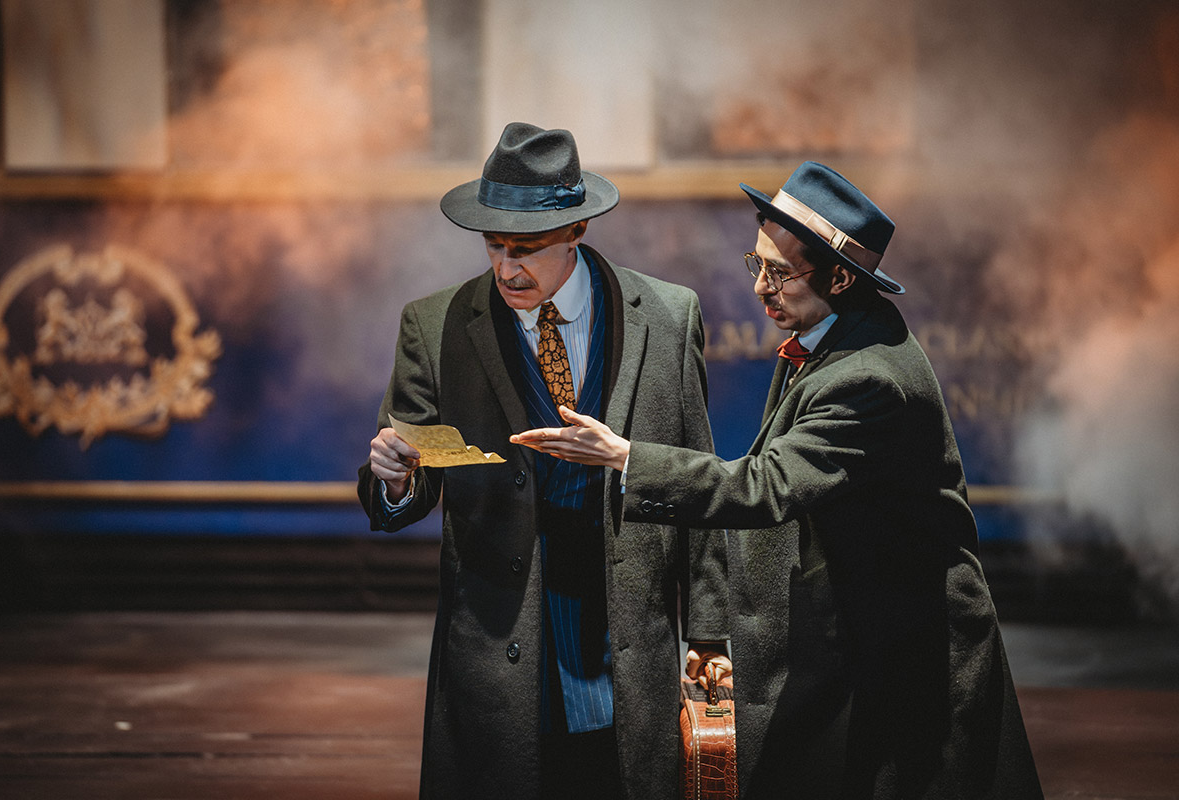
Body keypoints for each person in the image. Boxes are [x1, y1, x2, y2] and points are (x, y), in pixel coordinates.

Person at [511, 162, 1044, 799]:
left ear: (842, 277)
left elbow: (764, 486)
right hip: (858, 637)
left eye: (780, 272)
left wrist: (625, 456)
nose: (761, 287)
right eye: (755, 263)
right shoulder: (831, 334)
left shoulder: (867, 377)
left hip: (906, 656)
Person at [359, 122, 731, 800]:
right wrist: (394, 479)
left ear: (577, 232)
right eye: (493, 246)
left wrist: (710, 633)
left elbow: (694, 481)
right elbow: (403, 487)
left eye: (525, 249)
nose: (505, 268)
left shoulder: (669, 317)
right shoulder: (435, 323)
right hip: (501, 635)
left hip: (626, 628)